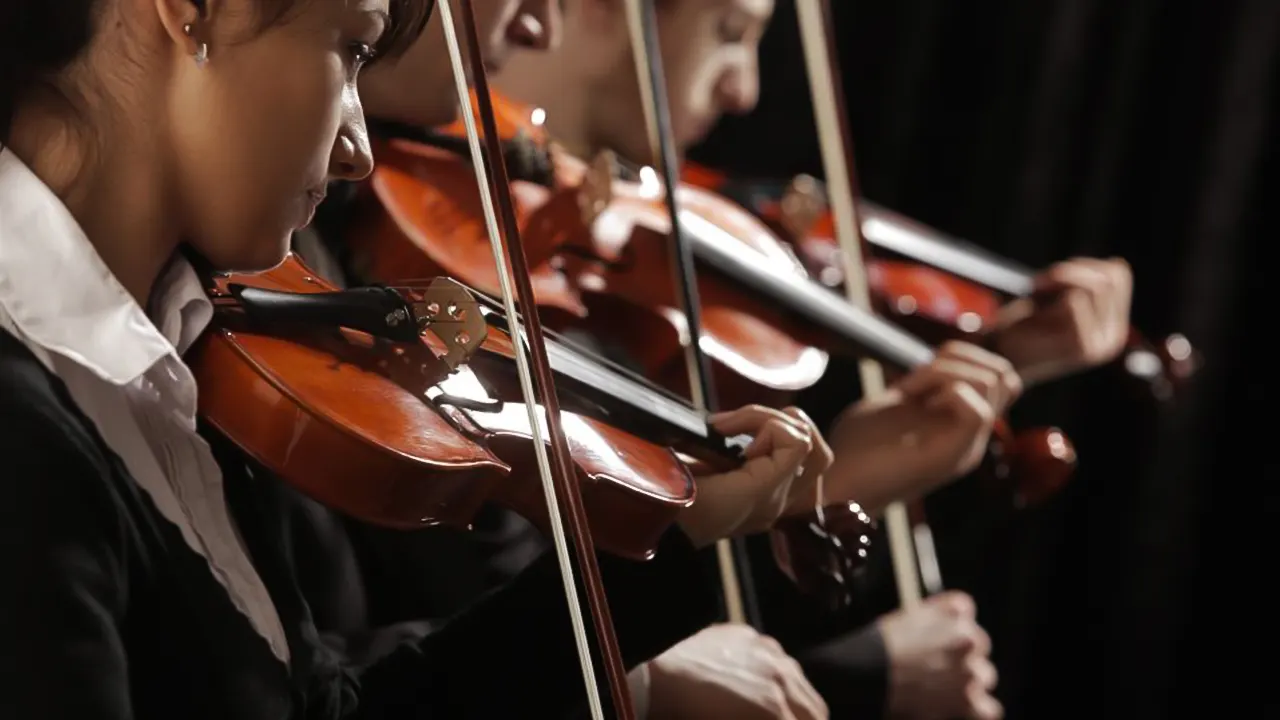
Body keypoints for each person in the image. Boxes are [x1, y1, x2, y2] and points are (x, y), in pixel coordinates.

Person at [0, 0, 838, 717]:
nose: (360, 148)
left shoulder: (170, 359)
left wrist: (674, 542)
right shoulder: (28, 428)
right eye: (354, 48)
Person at [286, 2, 1019, 720]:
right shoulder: (333, 261)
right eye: (729, 31)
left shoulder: (526, 287)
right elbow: (412, 649)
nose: (746, 91)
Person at [491, 0, 1133, 718]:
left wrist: (994, 363)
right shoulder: (455, 264)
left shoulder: (624, 279)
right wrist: (851, 671)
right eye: (731, 33)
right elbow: (488, 648)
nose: (745, 91)